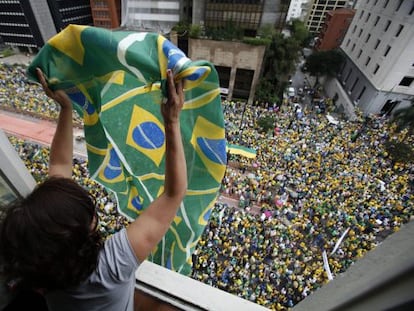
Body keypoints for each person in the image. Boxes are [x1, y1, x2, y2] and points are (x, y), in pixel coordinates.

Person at [0, 68, 187, 311]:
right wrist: (172, 121)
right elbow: (174, 193)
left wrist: (66, 109)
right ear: (87, 229)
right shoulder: (113, 264)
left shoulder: (41, 269)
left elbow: (59, 165)